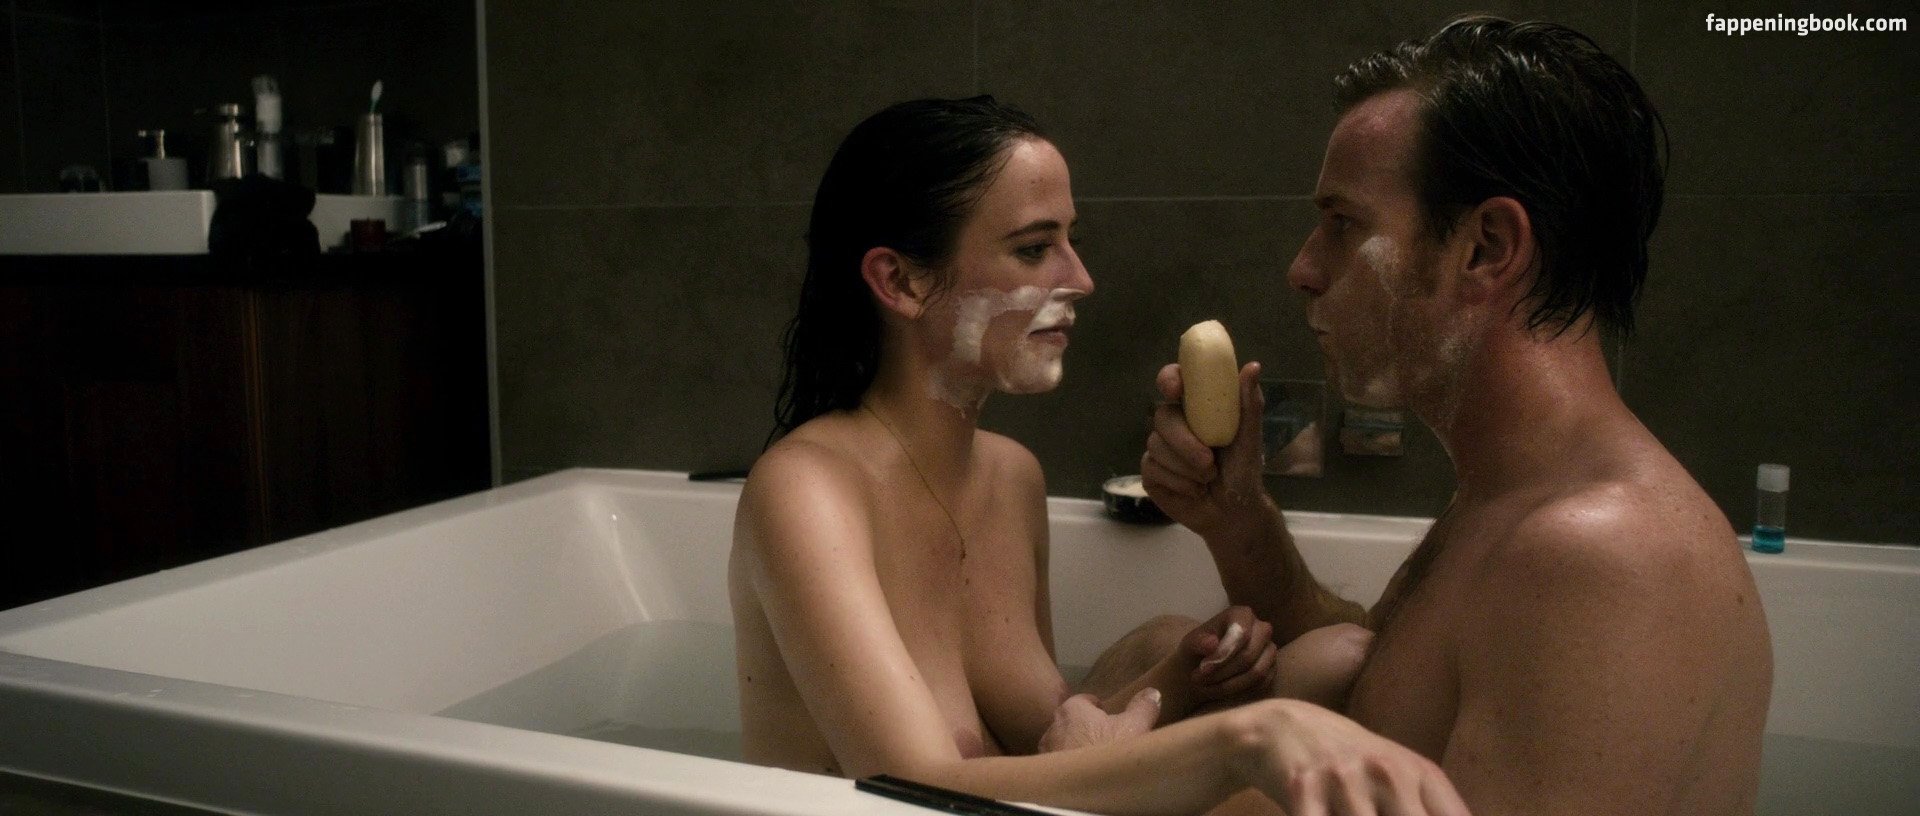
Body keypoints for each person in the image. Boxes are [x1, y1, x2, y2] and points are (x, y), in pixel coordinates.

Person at [729, 96, 1469, 816]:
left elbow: (1044, 751)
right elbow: (912, 786)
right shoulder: (807, 490)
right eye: (1033, 248)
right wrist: (1243, 740)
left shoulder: (1009, 476)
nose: (1080, 280)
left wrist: (1180, 679)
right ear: (901, 281)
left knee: (1328, 661)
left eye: (1072, 240)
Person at [1142, 17, 1774, 816]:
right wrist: (1239, 521)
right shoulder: (1510, 498)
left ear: (1486, 248)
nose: (1302, 268)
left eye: (1343, 224)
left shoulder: (1605, 557)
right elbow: (1386, 685)